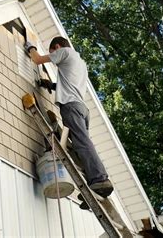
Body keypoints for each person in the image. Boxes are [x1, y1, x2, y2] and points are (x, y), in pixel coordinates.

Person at [25, 36, 113, 198]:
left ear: (57, 47)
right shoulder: (80, 62)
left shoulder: (64, 51)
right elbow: (69, 84)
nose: (53, 57)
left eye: (53, 53)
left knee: (82, 143)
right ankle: (95, 186)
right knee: (79, 146)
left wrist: (30, 47)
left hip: (71, 107)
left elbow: (37, 60)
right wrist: (50, 85)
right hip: (81, 108)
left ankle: (100, 179)